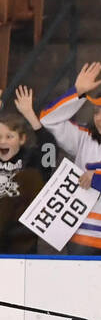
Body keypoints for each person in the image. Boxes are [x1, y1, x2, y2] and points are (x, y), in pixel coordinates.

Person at [14, 63, 101, 255]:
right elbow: (48, 120)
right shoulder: (83, 137)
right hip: (83, 238)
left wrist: (98, 178)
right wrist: (78, 93)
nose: (99, 118)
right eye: (96, 111)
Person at [0, 106, 45, 254]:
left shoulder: (31, 159)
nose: (3, 142)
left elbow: (49, 146)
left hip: (22, 244)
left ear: (22, 139)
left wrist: (30, 115)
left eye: (9, 136)